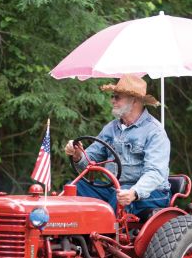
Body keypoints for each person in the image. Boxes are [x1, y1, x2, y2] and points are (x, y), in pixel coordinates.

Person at [65, 75, 171, 215]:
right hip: (117, 188)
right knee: (74, 187)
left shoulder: (155, 131)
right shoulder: (111, 128)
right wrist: (78, 155)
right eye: (113, 97)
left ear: (134, 101)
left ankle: (102, 236)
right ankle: (69, 234)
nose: (112, 101)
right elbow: (89, 162)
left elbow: (155, 172)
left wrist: (134, 192)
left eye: (117, 97)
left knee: (118, 198)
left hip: (152, 192)